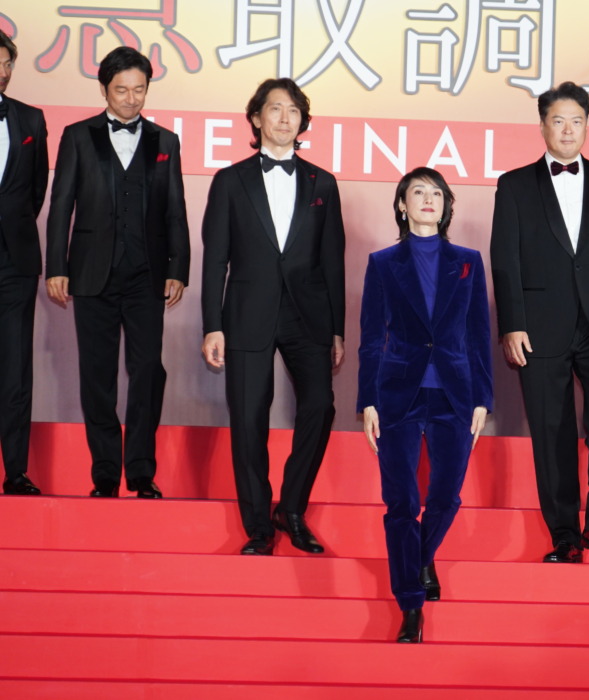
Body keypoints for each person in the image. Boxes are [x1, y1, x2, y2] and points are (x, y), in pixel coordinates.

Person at [490, 81, 589, 563]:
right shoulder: (515, 185)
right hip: (540, 327)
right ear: (542, 126)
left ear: (587, 126)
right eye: (558, 121)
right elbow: (505, 260)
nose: (567, 130)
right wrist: (512, 323)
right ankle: (563, 534)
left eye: (576, 121)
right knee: (551, 432)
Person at [201, 78, 345, 556]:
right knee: (248, 418)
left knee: (320, 405)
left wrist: (338, 329)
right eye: (275, 109)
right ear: (256, 118)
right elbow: (215, 260)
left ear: (303, 122)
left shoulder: (323, 183)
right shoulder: (230, 181)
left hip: (309, 316)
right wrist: (212, 325)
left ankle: (293, 507)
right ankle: (259, 526)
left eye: (294, 111)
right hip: (247, 313)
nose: (285, 118)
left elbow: (333, 261)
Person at [45, 46, 189, 499]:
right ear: (104, 89)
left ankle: (141, 471)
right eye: (122, 90)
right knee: (98, 374)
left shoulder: (165, 142)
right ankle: (105, 473)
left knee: (147, 371)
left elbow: (175, 210)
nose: (131, 99)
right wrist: (56, 266)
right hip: (91, 273)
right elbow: (60, 206)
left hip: (147, 275)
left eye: (139, 89)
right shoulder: (77, 136)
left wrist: (178, 268)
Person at [357, 166, 493, 644]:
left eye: (437, 193)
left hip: (454, 394)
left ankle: (418, 558)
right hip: (398, 393)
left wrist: (483, 397)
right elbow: (371, 337)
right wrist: (368, 400)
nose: (428, 199)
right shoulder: (382, 263)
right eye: (418, 192)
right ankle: (410, 604)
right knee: (401, 502)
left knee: (446, 497)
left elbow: (479, 335)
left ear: (446, 205)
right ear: (402, 205)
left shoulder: (469, 262)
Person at [0, 31, 48, 497]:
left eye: (7, 64)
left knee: (15, 368)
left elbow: (35, 193)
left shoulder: (30, 118)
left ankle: (15, 471)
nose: (3, 72)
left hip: (14, 262)